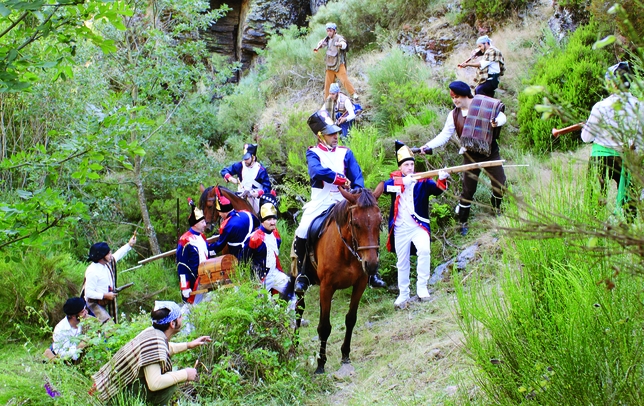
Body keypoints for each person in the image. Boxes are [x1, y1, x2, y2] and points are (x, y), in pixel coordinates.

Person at [293, 110, 386, 292]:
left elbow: (357, 175)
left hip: (345, 200)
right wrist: (338, 178)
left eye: (336, 132)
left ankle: (373, 273)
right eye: (331, 134)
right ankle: (303, 273)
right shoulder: (313, 153)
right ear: (320, 136)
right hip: (322, 201)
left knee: (367, 223)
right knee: (303, 229)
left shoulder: (346, 152)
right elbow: (317, 172)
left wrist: (358, 192)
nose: (336, 136)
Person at [420, 81, 507, 236]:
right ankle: (463, 222)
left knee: (499, 183)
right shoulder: (454, 115)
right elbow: (444, 135)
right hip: (469, 154)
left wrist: (496, 122)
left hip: (490, 151)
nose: (455, 101)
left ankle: (496, 210)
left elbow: (501, 115)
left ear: (466, 94)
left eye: (457, 97)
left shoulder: (482, 103)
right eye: (453, 98)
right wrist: (428, 146)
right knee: (468, 189)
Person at [91, 301, 211, 405]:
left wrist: (189, 345)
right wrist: (185, 374)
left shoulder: (152, 332)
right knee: (168, 384)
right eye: (180, 316)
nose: (182, 318)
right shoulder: (155, 344)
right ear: (172, 324)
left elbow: (164, 348)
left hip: (104, 389)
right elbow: (155, 383)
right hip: (110, 397)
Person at [375, 141, 449, 308]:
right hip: (400, 228)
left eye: (411, 164)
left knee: (424, 250)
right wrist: (403, 182)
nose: (410, 167)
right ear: (401, 167)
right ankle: (404, 293)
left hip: (419, 226)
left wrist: (442, 178)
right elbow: (385, 189)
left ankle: (422, 288)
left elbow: (437, 189)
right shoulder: (394, 181)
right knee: (402, 262)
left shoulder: (423, 181)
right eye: (406, 165)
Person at [581, 62, 642, 219]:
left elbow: (586, 138)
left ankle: (595, 229)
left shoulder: (601, 106)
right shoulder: (639, 106)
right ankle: (627, 232)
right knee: (629, 204)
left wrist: (584, 128)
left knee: (595, 200)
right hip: (627, 159)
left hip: (601, 159)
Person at [243, 194, 295, 306]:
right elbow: (245, 260)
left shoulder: (276, 235)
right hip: (261, 278)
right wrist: (252, 280)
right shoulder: (254, 238)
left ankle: (290, 321)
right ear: (262, 221)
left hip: (275, 273)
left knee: (292, 293)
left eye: (274, 219)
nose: (272, 222)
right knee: (259, 308)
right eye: (269, 219)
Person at [83, 234, 136, 323]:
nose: (111, 255)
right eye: (108, 253)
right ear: (101, 257)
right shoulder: (92, 271)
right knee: (106, 328)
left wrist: (129, 245)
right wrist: (105, 295)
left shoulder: (107, 263)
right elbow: (88, 293)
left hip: (106, 302)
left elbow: (117, 255)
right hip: (94, 305)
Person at [177, 199, 216, 305]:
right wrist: (184, 286)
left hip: (206, 278)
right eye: (202, 222)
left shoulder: (202, 237)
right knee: (191, 310)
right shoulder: (184, 240)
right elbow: (182, 266)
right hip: (194, 281)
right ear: (195, 224)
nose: (205, 224)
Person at [220, 143, 272, 213]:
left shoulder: (261, 170)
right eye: (244, 158)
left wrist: (258, 193)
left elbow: (267, 188)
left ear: (253, 157)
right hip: (241, 195)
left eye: (247, 159)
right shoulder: (240, 165)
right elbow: (224, 171)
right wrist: (230, 178)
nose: (245, 161)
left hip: (255, 198)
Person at [315, 22, 358, 99]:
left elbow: (344, 45)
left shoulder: (339, 38)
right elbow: (322, 44)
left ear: (334, 31)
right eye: (327, 31)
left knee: (345, 80)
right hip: (329, 66)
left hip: (338, 65)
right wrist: (320, 45)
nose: (329, 32)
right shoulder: (327, 39)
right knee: (327, 85)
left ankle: (353, 94)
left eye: (330, 30)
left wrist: (340, 44)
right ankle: (327, 101)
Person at [210, 194, 259, 260]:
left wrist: (207, 249)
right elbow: (257, 224)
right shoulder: (247, 213)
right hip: (256, 251)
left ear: (224, 211)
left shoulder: (227, 225)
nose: (219, 214)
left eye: (219, 212)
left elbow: (219, 246)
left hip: (240, 257)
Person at [44, 297, 90, 362]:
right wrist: (79, 347)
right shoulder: (60, 330)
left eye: (85, 310)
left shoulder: (87, 320)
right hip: (61, 358)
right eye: (82, 312)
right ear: (73, 316)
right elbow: (62, 353)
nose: (86, 312)